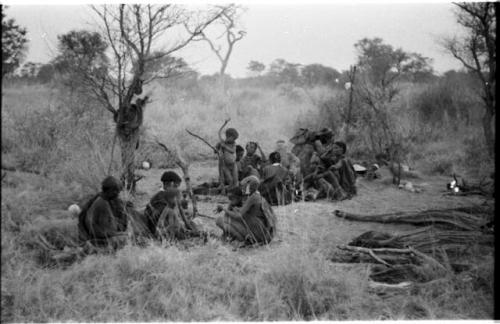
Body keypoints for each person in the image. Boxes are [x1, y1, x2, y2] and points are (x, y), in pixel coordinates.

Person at [215, 176, 277, 245]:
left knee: (219, 220)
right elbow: (246, 210)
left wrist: (224, 209)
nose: (243, 188)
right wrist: (235, 208)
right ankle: (240, 238)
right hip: (261, 231)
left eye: (245, 186)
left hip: (257, 232)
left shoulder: (253, 198)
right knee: (227, 220)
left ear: (250, 186)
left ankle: (242, 240)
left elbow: (238, 216)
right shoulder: (257, 196)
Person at [143, 171, 199, 239]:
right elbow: (164, 223)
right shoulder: (160, 199)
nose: (177, 189)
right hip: (161, 232)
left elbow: (180, 214)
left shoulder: (169, 196)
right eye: (176, 186)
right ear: (169, 185)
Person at [78, 176, 128, 249]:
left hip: (99, 236)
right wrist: (120, 234)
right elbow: (103, 231)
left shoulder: (102, 200)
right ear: (109, 191)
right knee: (129, 239)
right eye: (116, 191)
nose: (117, 194)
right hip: (99, 239)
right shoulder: (102, 204)